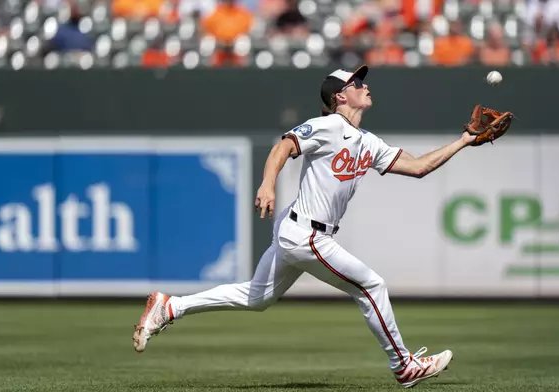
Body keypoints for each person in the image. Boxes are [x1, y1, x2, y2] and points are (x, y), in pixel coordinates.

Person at [132, 64, 481, 388]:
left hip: (299, 230)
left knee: (257, 298)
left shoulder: (368, 142)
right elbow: (283, 146)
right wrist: (268, 183)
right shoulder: (329, 125)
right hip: (307, 234)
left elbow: (418, 167)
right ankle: (403, 365)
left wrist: (464, 140)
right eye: (357, 83)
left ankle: (171, 306)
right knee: (371, 286)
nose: (365, 85)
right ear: (340, 96)